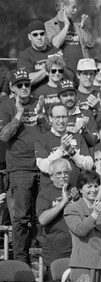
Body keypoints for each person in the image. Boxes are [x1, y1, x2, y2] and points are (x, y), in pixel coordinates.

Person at [0, 70, 43, 264]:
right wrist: (18, 114)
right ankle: (21, 265)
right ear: (12, 88)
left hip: (42, 166)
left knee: (42, 215)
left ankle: (43, 263)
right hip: (20, 169)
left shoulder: (37, 103)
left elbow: (51, 130)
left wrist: (43, 116)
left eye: (27, 84)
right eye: (20, 85)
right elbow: (4, 136)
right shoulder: (6, 106)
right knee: (21, 218)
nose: (25, 87)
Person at [64, 170, 101, 282]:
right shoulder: (72, 208)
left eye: (96, 186)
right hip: (84, 265)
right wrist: (95, 214)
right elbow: (80, 230)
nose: (93, 190)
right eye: (89, 186)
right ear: (80, 189)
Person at [35, 103, 93, 188]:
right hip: (51, 192)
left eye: (64, 117)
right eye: (57, 117)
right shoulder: (42, 140)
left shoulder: (78, 137)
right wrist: (61, 150)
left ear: (68, 118)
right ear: (50, 119)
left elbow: (89, 165)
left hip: (75, 190)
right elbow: (44, 167)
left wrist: (72, 153)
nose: (61, 121)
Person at [36, 159, 75, 273]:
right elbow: (42, 219)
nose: (63, 176)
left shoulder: (77, 190)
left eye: (65, 172)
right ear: (51, 176)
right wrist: (63, 202)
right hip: (55, 251)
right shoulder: (45, 194)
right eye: (58, 173)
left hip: (76, 248)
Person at [45, 0, 94, 73]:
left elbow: (90, 44)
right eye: (73, 7)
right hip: (62, 74)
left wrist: (82, 29)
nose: (76, 10)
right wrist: (66, 25)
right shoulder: (50, 24)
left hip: (81, 74)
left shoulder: (76, 25)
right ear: (63, 7)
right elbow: (56, 43)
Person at [17, 20, 63, 87]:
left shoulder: (56, 52)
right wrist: (50, 66)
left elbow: (69, 76)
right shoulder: (25, 56)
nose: (39, 37)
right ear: (29, 37)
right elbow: (27, 80)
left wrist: (62, 65)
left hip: (57, 93)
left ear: (46, 34)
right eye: (35, 35)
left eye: (42, 34)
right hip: (36, 95)